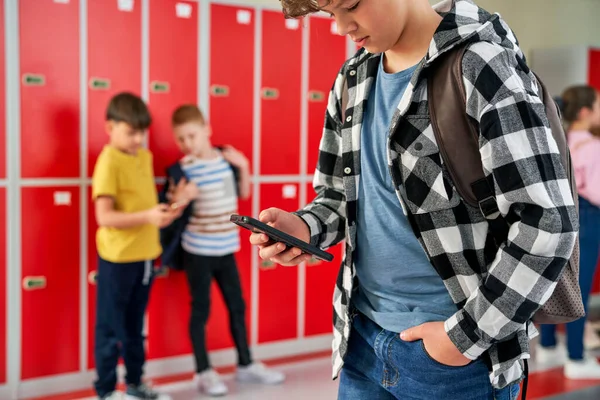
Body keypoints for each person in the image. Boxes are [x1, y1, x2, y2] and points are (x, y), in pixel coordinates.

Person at [249, 0, 579, 399]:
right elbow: (340, 194)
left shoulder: (482, 64)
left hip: (457, 360)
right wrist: (303, 226)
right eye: (328, 13)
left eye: (349, 5)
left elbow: (547, 221)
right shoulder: (353, 78)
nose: (340, 27)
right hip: (362, 340)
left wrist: (464, 337)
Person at [160, 104, 285, 397]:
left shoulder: (225, 161)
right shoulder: (182, 170)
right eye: (181, 139)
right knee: (200, 310)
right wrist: (181, 198)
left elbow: (243, 194)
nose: (187, 143)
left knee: (237, 306)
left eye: (192, 135)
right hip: (198, 251)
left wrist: (244, 166)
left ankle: (246, 364)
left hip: (226, 248)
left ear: (207, 130)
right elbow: (171, 214)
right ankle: (203, 371)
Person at [92, 92, 182, 400]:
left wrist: (168, 210)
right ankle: (105, 391)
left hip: (145, 255)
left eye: (141, 132)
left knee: (134, 327)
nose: (138, 139)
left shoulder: (143, 156)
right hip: (117, 258)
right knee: (110, 328)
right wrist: (147, 215)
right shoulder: (108, 161)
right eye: (131, 132)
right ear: (110, 127)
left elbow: (147, 208)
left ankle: (134, 384)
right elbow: (104, 216)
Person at [538, 85, 600, 379]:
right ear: (586, 112)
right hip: (588, 218)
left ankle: (548, 345)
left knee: (557, 283)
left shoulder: (557, 139)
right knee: (580, 289)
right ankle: (576, 357)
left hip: (560, 218)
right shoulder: (593, 147)